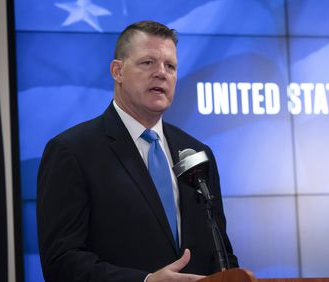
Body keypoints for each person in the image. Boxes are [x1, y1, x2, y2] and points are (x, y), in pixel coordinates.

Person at [37, 20, 238, 282]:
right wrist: (145, 281)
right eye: (148, 63)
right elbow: (61, 262)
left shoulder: (198, 154)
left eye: (171, 66)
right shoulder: (72, 151)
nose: (161, 73)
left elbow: (220, 251)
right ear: (117, 71)